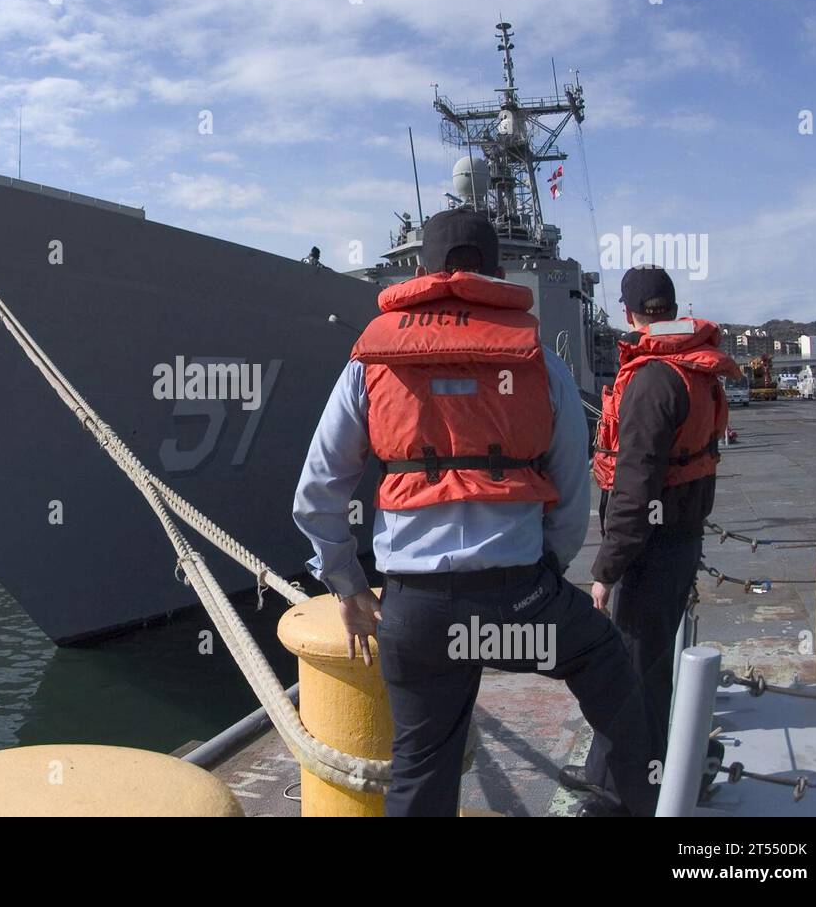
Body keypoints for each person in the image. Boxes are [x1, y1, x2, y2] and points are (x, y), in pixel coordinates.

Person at [293, 208, 659, 817]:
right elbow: (572, 488)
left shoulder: (370, 364)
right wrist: (545, 568)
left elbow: (317, 489)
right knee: (606, 662)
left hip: (414, 612)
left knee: (420, 763)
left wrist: (347, 585)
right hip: (519, 604)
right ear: (496, 273)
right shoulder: (542, 364)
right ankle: (634, 804)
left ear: (418, 271)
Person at [558, 264, 740, 814]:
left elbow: (635, 490)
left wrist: (605, 570)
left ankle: (624, 791)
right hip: (679, 538)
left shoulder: (652, 379)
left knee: (631, 669)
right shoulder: (693, 371)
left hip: (649, 549)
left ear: (630, 313)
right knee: (649, 662)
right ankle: (619, 768)